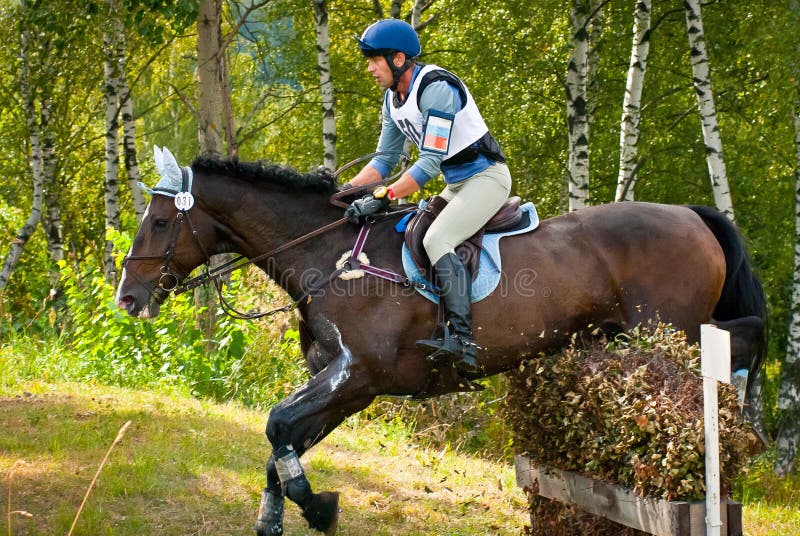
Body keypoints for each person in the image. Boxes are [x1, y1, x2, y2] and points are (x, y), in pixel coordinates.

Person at [345, 18, 512, 374]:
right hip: (458, 184)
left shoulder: (435, 88)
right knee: (411, 233)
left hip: (487, 178)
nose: (370, 68)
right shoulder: (393, 100)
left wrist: (386, 195)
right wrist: (344, 193)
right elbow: (384, 161)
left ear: (399, 59)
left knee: (437, 239)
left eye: (375, 60)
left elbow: (431, 162)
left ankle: (464, 342)